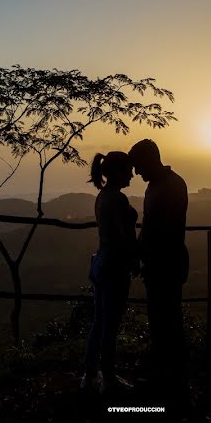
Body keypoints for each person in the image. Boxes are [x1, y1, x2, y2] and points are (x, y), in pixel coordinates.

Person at [127, 139, 190, 405]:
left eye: (139, 166)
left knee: (167, 320)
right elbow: (150, 227)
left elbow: (164, 230)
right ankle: (167, 378)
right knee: (162, 319)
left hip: (166, 263)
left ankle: (170, 382)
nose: (136, 173)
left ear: (150, 160)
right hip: (160, 262)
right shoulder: (160, 184)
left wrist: (144, 253)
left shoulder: (171, 186)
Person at [81, 151, 139, 395]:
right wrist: (135, 259)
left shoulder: (102, 196)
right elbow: (124, 236)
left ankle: (91, 374)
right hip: (115, 265)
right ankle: (109, 378)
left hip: (101, 262)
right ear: (118, 172)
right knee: (110, 324)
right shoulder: (117, 199)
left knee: (99, 322)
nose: (132, 175)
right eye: (128, 170)